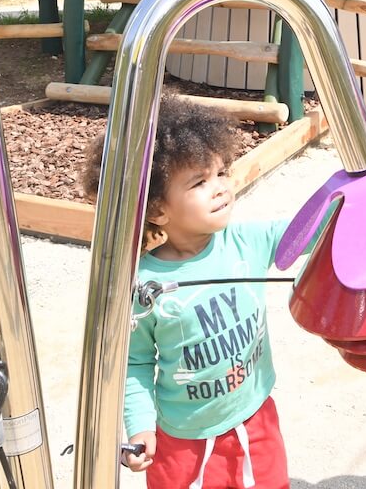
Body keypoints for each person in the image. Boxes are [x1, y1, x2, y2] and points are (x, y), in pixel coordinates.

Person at [82, 97, 290, 489]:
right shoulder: (143, 284)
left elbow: (307, 229)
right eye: (199, 182)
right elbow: (134, 361)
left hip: (255, 419)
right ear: (157, 209)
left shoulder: (248, 242)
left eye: (221, 172)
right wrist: (140, 425)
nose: (220, 188)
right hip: (183, 445)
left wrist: (353, 199)